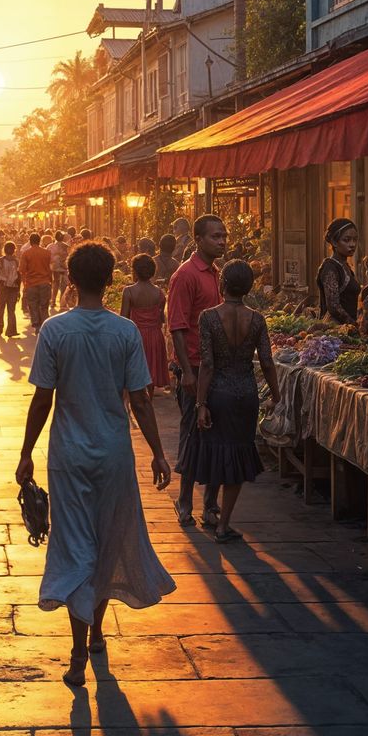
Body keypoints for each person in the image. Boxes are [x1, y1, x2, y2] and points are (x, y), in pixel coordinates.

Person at [16, 243, 173, 690]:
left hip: (68, 455)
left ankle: (78, 650)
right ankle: (97, 630)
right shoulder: (125, 334)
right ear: (110, 282)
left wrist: (27, 451)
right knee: (106, 541)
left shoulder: (55, 330)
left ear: (70, 280)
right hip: (113, 453)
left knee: (75, 544)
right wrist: (159, 452)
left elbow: (43, 398)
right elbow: (140, 399)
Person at [189, 259, 277, 544]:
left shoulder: (209, 317)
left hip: (219, 394)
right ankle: (223, 522)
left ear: (221, 284)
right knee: (238, 454)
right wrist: (277, 395)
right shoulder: (257, 319)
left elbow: (207, 364)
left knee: (217, 450)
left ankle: (211, 511)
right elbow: (266, 360)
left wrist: (201, 403)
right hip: (246, 394)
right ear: (249, 287)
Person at [167, 215, 227, 527]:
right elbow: (177, 326)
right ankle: (184, 500)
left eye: (223, 236)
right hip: (192, 367)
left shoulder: (216, 274)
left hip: (214, 368)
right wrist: (187, 373)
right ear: (199, 239)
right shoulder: (185, 275)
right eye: (215, 236)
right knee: (192, 433)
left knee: (216, 435)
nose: (222, 241)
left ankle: (211, 504)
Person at [119, 255, 169, 396]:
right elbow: (160, 319)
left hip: (136, 336)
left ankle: (132, 404)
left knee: (133, 373)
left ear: (134, 271)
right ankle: (149, 401)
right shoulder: (159, 293)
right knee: (151, 373)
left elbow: (124, 319)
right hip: (154, 336)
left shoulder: (128, 291)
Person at [317, 218, 361, 325]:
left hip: (346, 330)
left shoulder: (345, 266)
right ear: (334, 242)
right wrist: (352, 324)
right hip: (333, 333)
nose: (352, 244)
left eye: (355, 240)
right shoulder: (330, 267)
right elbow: (333, 306)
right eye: (346, 240)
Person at [19, 231, 54, 332]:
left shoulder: (26, 253)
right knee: (44, 305)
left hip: (31, 283)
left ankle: (37, 324)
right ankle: (45, 325)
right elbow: (51, 267)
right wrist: (50, 280)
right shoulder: (47, 253)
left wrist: (24, 283)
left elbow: (22, 270)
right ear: (40, 241)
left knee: (33, 304)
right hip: (45, 282)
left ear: (30, 242)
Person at [0, 238, 21, 338]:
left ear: (4, 249)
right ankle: (11, 330)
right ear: (14, 250)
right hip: (13, 289)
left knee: (0, 309)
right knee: (11, 310)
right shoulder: (16, 261)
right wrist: (18, 291)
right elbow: (19, 277)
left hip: (3, 288)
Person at [49, 231, 71, 312]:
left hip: (54, 267)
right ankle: (63, 301)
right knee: (64, 284)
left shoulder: (50, 246)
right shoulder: (66, 246)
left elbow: (48, 257)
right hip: (64, 267)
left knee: (55, 283)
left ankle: (53, 301)